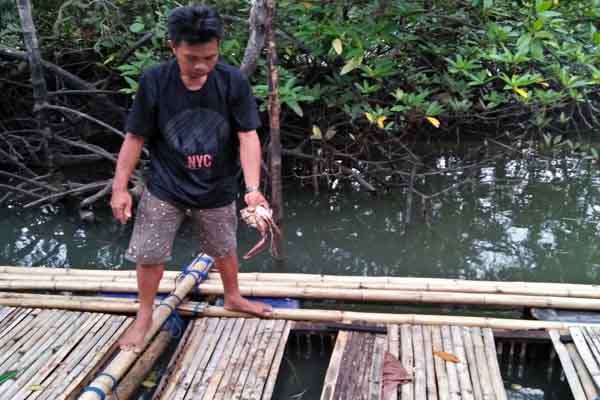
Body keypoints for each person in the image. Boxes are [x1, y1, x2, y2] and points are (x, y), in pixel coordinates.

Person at [110, 4, 272, 352]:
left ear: (218, 49)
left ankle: (232, 296)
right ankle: (145, 314)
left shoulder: (233, 82)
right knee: (150, 252)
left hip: (217, 184)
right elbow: (135, 137)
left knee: (224, 246)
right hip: (166, 185)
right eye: (191, 58)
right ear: (173, 47)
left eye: (210, 58)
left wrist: (253, 189)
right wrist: (119, 188)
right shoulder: (155, 81)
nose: (201, 66)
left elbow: (247, 136)